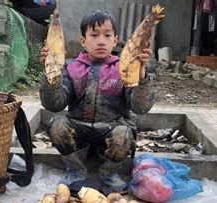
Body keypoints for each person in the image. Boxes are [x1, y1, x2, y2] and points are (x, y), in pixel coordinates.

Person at [38, 10, 155, 193]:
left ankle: (109, 173)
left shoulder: (123, 69)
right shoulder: (71, 67)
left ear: (115, 40)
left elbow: (140, 107)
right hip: (79, 127)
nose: (101, 41)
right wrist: (50, 74)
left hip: (111, 127)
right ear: (83, 41)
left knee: (124, 134)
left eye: (107, 35)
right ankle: (75, 170)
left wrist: (141, 77)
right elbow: (55, 104)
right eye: (94, 35)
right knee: (57, 126)